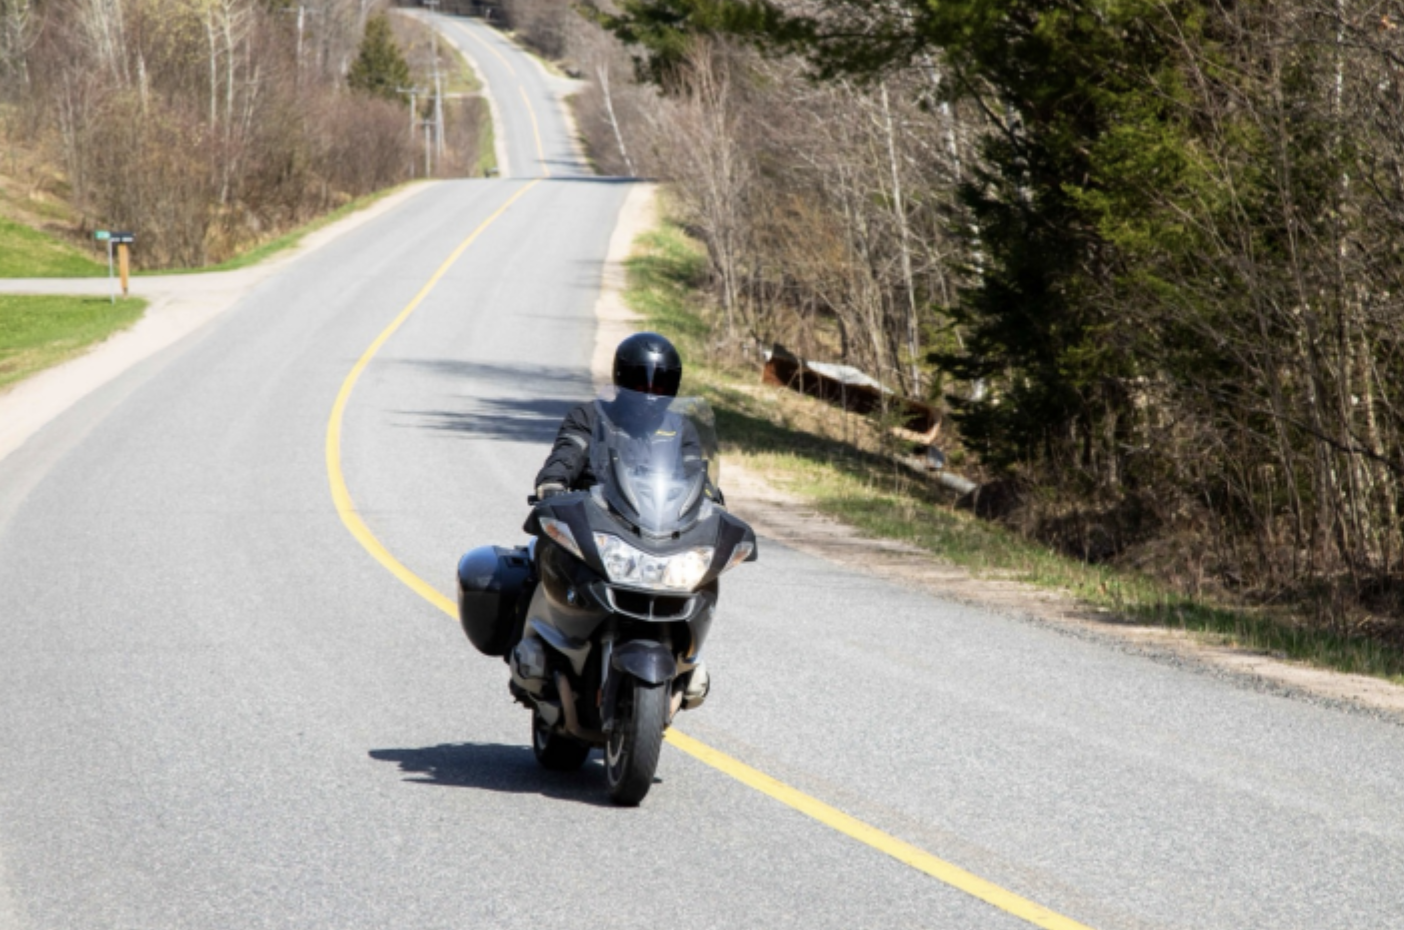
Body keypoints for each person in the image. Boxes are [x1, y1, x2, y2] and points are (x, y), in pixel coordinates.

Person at [534, 332, 685, 500]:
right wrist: (552, 482)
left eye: (659, 388)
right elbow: (567, 455)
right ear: (622, 377)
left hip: (662, 521)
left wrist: (711, 497)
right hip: (595, 516)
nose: (649, 394)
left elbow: (697, 472)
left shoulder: (679, 428)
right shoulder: (589, 417)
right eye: (641, 385)